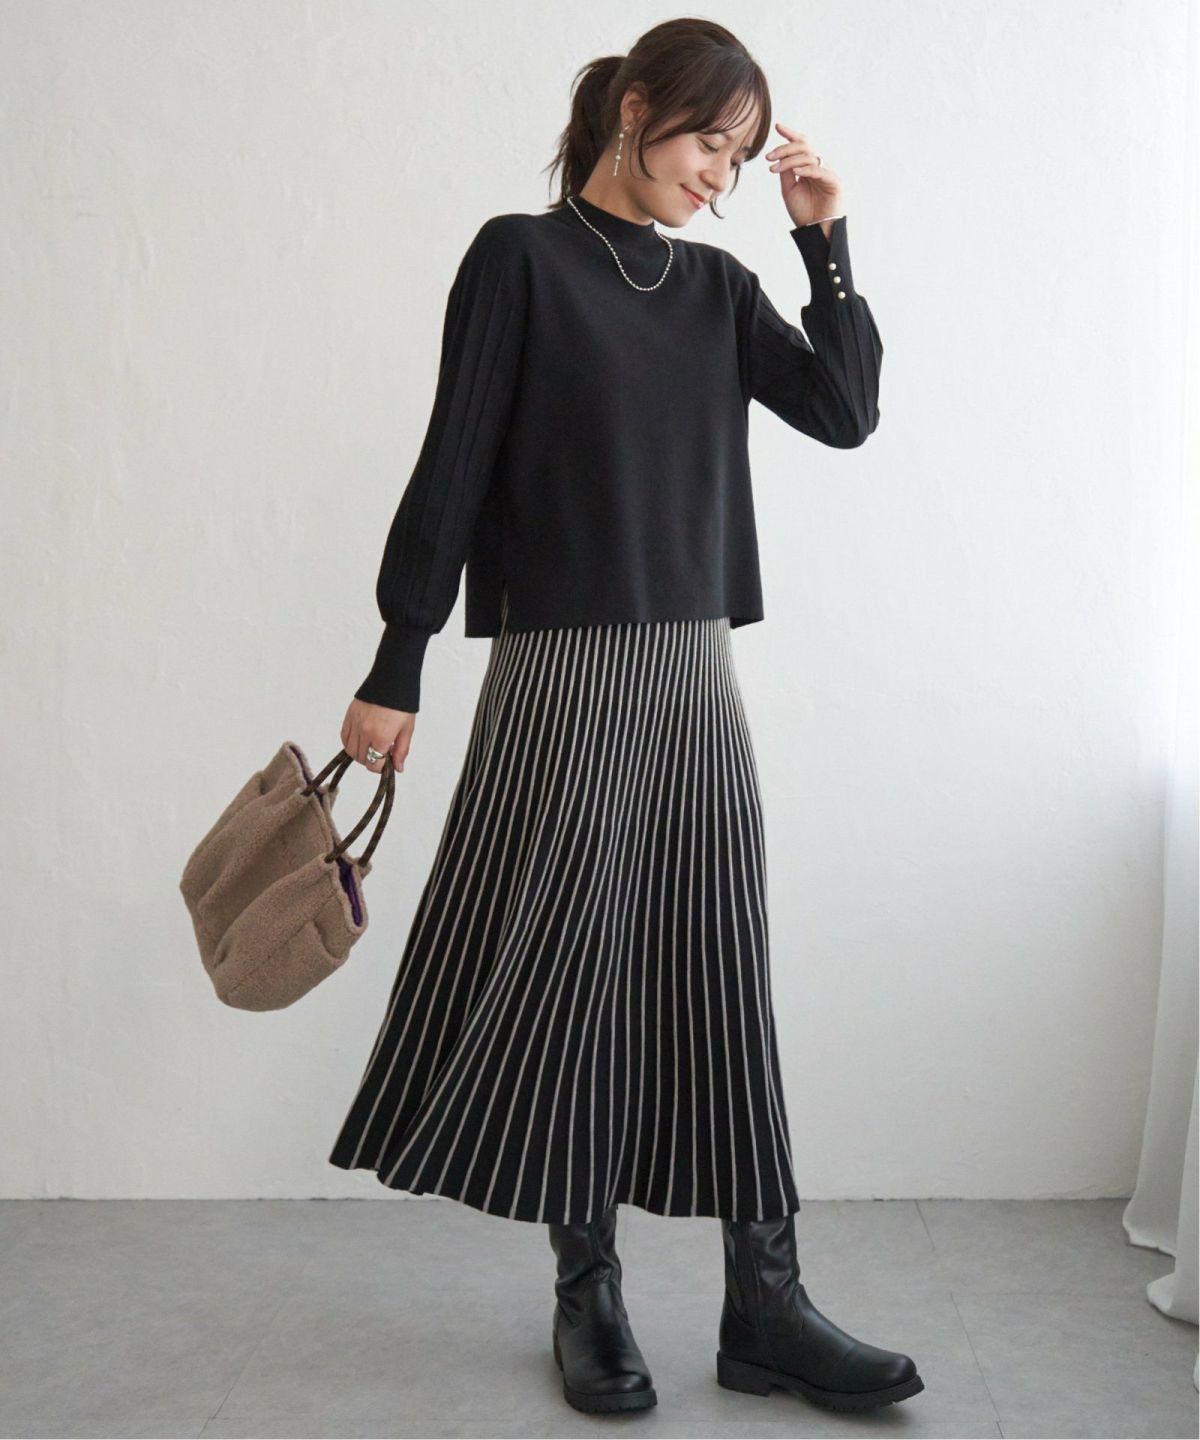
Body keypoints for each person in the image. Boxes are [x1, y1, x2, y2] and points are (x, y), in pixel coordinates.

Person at [327, 15, 923, 1419]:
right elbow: (453, 462)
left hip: (693, 669)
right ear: (637, 109)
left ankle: (765, 1305)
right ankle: (586, 1292)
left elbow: (845, 411)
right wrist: (399, 660)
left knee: (721, 964)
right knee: (578, 972)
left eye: (740, 159)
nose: (722, 177)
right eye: (711, 144)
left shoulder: (718, 285)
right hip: (560, 668)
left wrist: (823, 244)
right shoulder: (520, 259)